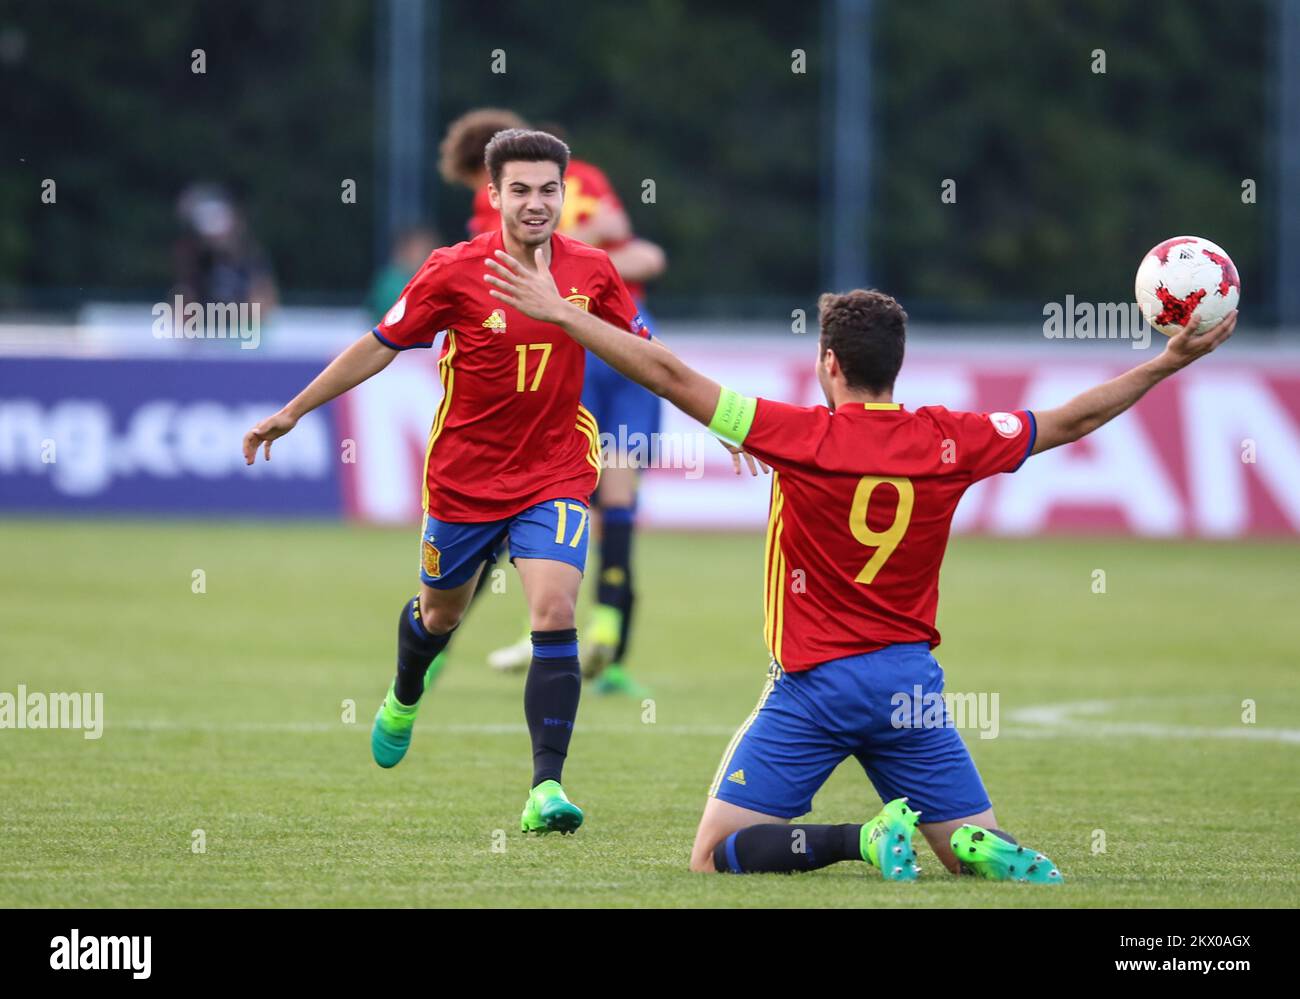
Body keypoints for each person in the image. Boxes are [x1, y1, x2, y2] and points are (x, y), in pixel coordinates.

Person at [483, 247, 1237, 880]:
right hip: (909, 688)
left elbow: (668, 375)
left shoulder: (796, 434)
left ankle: (859, 838)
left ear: (830, 364)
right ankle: (976, 840)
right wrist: (1167, 361)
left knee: (714, 855)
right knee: (960, 849)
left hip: (815, 687)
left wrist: (562, 313)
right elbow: (1076, 417)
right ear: (897, 366)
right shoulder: (952, 439)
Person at [242, 129, 653, 835]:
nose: (535, 203)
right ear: (492, 195)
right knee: (439, 616)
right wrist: (293, 411)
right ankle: (405, 693)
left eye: (547, 190)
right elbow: (377, 346)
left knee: (554, 611)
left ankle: (544, 787)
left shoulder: (592, 271)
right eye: (519, 190)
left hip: (556, 466)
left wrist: (729, 424)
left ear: (564, 194)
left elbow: (645, 353)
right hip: (465, 480)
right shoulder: (453, 270)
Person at [439, 108, 667, 697]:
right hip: (630, 339)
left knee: (546, 487)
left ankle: (538, 630)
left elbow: (539, 262)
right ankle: (607, 640)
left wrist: (581, 249)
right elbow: (639, 249)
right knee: (616, 494)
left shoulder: (502, 208)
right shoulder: (584, 178)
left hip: (575, 345)